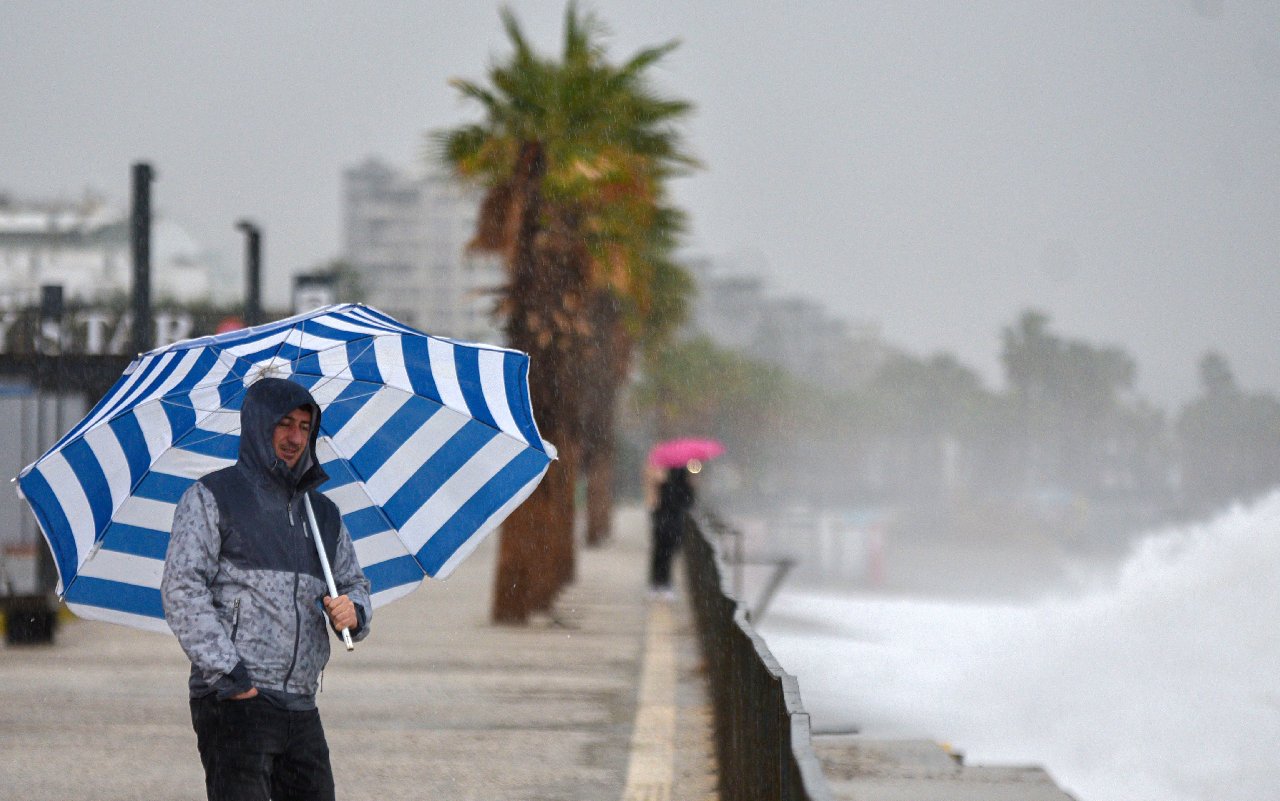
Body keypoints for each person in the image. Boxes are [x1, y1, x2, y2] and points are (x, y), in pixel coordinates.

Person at [162, 377, 372, 801]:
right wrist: (232, 677)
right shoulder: (211, 497)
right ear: (259, 425)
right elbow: (182, 588)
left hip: (301, 703)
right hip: (236, 700)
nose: (296, 437)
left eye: (305, 427)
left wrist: (355, 611)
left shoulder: (323, 514)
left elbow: (352, 582)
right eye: (284, 424)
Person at [648, 464, 696, 599]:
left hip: (667, 520)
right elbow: (689, 502)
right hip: (669, 520)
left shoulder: (670, 481)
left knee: (663, 552)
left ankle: (659, 582)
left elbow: (687, 500)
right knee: (664, 552)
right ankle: (661, 583)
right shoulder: (675, 480)